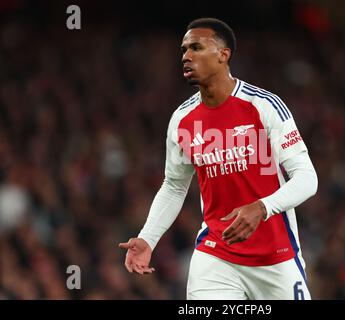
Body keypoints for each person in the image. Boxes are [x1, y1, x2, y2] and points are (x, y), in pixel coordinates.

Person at [119, 17, 318, 300]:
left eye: (197, 47)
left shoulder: (263, 106)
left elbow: (307, 178)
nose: (186, 56)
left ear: (224, 55)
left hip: (276, 256)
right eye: (184, 49)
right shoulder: (182, 120)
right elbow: (175, 185)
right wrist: (148, 238)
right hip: (216, 256)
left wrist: (262, 208)